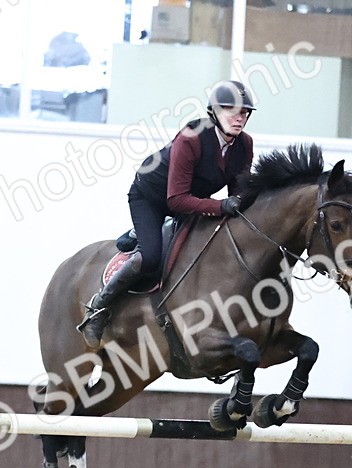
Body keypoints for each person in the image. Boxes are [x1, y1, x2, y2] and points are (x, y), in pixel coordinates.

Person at [77, 80, 256, 347]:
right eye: (231, 110)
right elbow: (176, 199)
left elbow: (239, 192)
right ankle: (98, 307)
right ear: (214, 112)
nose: (239, 118)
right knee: (150, 257)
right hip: (153, 198)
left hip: (191, 201)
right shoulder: (191, 138)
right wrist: (219, 206)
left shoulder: (244, 144)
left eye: (244, 113)